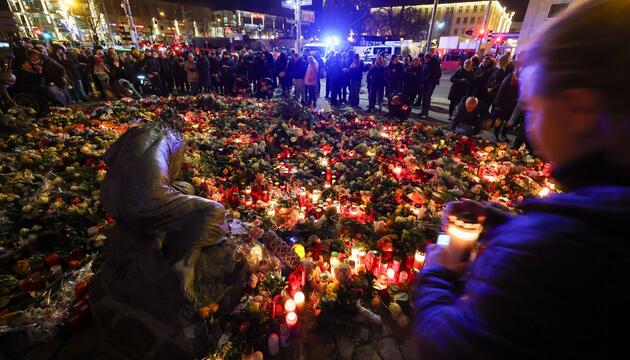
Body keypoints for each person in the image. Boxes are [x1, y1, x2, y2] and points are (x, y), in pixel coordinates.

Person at [415, 1, 630, 359]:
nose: (529, 124)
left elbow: (447, 345)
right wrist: (500, 225)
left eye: (532, 108)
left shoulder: (548, 253)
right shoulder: (601, 220)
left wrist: (438, 275)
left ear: (579, 108)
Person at [491, 67, 520, 142]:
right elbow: (500, 93)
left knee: (507, 120)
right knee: (499, 120)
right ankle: (495, 134)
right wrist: (497, 105)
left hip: (512, 105)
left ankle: (503, 134)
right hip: (502, 104)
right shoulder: (508, 79)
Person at [420, 52, 442, 119]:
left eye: (427, 58)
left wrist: (430, 79)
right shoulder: (424, 62)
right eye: (425, 58)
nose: (426, 59)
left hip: (430, 83)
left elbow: (438, 74)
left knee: (427, 98)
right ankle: (423, 111)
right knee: (423, 97)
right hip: (424, 83)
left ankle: (425, 113)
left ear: (430, 57)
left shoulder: (435, 63)